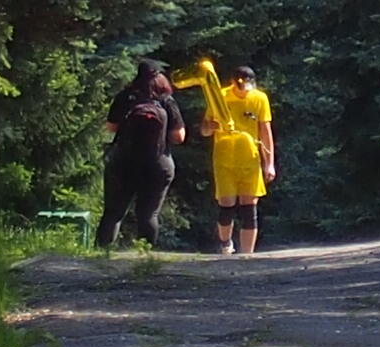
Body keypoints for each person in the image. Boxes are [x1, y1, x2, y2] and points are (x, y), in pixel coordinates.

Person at [100, 59, 185, 249]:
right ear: (160, 77)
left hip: (123, 162)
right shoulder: (166, 100)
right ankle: (146, 256)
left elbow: (110, 128)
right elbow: (179, 136)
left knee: (113, 212)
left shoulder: (125, 96)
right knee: (148, 214)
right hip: (157, 164)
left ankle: (102, 254)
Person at [203, 60, 280, 255]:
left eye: (247, 85)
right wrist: (210, 127)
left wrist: (269, 164)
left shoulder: (259, 99)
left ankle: (247, 256)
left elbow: (265, 132)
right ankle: (225, 244)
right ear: (232, 82)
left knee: (249, 208)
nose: (243, 89)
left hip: (250, 159)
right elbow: (204, 129)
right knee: (226, 205)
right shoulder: (220, 97)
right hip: (225, 159)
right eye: (240, 85)